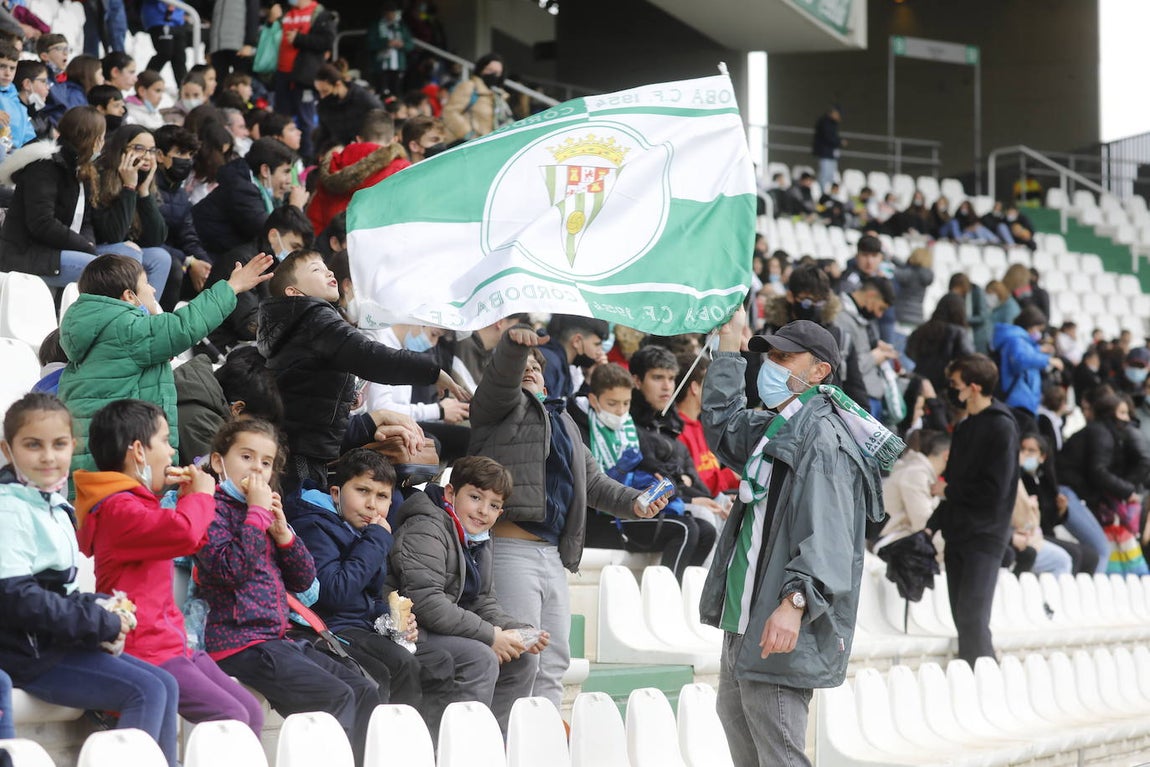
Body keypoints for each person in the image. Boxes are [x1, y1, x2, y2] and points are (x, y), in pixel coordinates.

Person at [699, 310, 898, 767]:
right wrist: (730, 347)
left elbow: (825, 534)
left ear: (819, 371)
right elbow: (722, 426)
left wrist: (794, 604)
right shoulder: (782, 422)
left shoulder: (824, 436)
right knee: (742, 730)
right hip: (747, 615)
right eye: (770, 355)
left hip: (779, 615)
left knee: (779, 751)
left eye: (786, 357)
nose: (771, 365)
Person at [467, 325, 663, 729]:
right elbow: (502, 379)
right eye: (522, 365)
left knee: (554, 661)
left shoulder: (566, 423)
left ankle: (542, 744)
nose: (529, 369)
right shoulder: (495, 409)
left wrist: (636, 503)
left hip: (554, 554)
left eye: (536, 365)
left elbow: (593, 483)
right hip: (510, 550)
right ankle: (506, 746)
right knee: (522, 658)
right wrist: (513, 347)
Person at [0, 393, 179, 766]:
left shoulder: (52, 503)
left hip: (50, 642)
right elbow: (17, 599)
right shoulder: (9, 507)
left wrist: (99, 607)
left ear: (72, 447)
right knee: (145, 690)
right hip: (25, 652)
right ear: (8, 449)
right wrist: (99, 621)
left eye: (59, 444)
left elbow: (58, 591)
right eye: (33, 445)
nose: (48, 457)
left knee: (165, 683)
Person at [195, 418, 380, 764]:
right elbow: (230, 571)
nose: (257, 469)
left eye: (266, 462)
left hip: (276, 638)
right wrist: (255, 513)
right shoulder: (209, 509)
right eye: (246, 457)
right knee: (334, 697)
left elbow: (305, 581)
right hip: (239, 643)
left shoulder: (264, 514)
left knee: (364, 689)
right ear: (220, 462)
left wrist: (284, 536)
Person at [74, 399, 264, 734]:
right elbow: (186, 534)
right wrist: (202, 496)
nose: (173, 452)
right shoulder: (117, 508)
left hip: (173, 642)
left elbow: (191, 536)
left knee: (250, 711)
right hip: (144, 649)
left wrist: (195, 496)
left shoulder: (138, 502)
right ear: (138, 451)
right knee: (233, 718)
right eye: (164, 440)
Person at [256, 249, 462, 492]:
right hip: (305, 453)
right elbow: (371, 356)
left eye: (325, 266)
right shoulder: (315, 318)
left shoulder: (295, 323)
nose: (328, 271)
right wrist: (432, 373)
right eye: (316, 269)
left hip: (300, 447)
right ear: (294, 293)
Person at [289, 449, 456, 737]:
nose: (371, 505)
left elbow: (371, 599)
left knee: (439, 663)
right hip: (328, 630)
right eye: (362, 491)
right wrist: (376, 540)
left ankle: (423, 750)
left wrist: (392, 621)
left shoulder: (369, 531)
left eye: (382, 496)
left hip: (363, 628)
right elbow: (335, 592)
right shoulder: (314, 525)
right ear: (336, 493)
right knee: (397, 666)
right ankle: (387, 752)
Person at [58, 252, 273, 474]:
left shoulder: (96, 331)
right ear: (129, 297)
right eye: (146, 284)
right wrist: (232, 286)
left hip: (89, 466)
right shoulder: (127, 330)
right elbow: (185, 325)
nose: (152, 290)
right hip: (124, 467)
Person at [388, 455, 545, 734]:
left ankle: (494, 747)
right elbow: (426, 603)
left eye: (494, 505)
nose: (483, 511)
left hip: (443, 629)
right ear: (451, 493)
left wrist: (515, 630)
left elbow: (482, 600)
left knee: (523, 658)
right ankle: (455, 750)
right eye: (475, 497)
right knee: (479, 657)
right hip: (407, 630)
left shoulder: (479, 536)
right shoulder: (427, 527)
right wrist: (490, 636)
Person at [576, 362, 716, 580]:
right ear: (594, 400)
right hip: (597, 517)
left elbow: (653, 466)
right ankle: (666, 599)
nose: (620, 411)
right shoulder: (578, 428)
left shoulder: (630, 428)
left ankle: (684, 599)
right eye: (612, 404)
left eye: (626, 403)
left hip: (633, 505)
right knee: (684, 529)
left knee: (707, 531)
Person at [927, 354, 1020, 664]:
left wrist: (949, 490)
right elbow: (951, 485)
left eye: (955, 384)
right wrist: (932, 525)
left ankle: (984, 682)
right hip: (959, 534)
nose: (951, 390)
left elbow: (994, 490)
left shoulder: (1001, 427)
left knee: (972, 616)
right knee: (963, 617)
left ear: (974, 387)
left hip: (986, 535)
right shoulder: (966, 428)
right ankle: (979, 677)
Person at [0, 106, 102, 285]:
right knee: (107, 274)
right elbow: (41, 223)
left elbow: (86, 221)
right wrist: (85, 247)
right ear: (88, 139)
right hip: (29, 255)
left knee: (129, 259)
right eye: (100, 138)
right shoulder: (45, 166)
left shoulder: (80, 169)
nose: (102, 144)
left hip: (61, 250)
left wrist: (88, 244)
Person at [89, 124, 173, 295]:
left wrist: (143, 192)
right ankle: (125, 313)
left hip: (125, 252)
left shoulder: (144, 182)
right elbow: (113, 235)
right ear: (122, 149)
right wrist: (129, 187)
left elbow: (156, 239)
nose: (147, 156)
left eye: (151, 150)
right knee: (128, 252)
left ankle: (147, 316)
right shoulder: (100, 176)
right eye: (139, 148)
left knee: (161, 257)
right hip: (96, 250)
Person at [192, 136, 307, 257]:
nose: (290, 181)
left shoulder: (251, 184)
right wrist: (295, 208)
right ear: (265, 170)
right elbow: (273, 235)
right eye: (286, 172)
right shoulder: (242, 190)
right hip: (205, 256)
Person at [308, 108, 407, 235]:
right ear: (394, 140)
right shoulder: (401, 168)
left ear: (359, 139)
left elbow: (316, 214)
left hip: (334, 244)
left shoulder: (333, 165)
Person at [1019, 433, 1098, 575]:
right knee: (1074, 554)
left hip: (1046, 533)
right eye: (1022, 449)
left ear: (1042, 457)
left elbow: (1050, 520)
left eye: (1031, 451)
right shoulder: (1019, 479)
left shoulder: (1046, 481)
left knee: (1091, 556)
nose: (1025, 454)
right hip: (1031, 533)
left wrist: (1061, 511)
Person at [269, 0, 336, 162]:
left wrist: (299, 38)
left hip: (304, 78)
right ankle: (281, 159)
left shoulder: (320, 13)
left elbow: (327, 41)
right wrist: (270, 21)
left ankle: (307, 161)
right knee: (281, 122)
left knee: (306, 122)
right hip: (282, 75)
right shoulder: (286, 12)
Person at [874, 429, 948, 552]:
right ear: (947, 455)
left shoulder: (917, 470)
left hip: (892, 542)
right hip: (888, 547)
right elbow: (923, 525)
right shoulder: (916, 474)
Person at [992, 305, 1062, 432]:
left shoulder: (1020, 340)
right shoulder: (1016, 340)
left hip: (1023, 400)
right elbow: (1020, 360)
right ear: (1030, 325)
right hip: (1018, 400)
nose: (1038, 334)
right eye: (1037, 329)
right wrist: (1047, 359)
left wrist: (1038, 350)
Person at [905, 294, 974, 394]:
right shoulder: (959, 333)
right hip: (945, 389)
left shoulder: (923, 329)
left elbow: (909, 352)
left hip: (919, 383)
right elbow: (969, 359)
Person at [442, 52, 512, 143]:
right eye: (490, 70)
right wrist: (469, 135)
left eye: (498, 73)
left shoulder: (498, 96)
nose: (494, 75)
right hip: (465, 145)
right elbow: (450, 112)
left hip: (485, 146)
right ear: (481, 69)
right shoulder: (469, 86)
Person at [313, 64, 383, 153]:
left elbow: (380, 128)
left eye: (325, 91)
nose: (322, 96)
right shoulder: (323, 105)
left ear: (338, 84)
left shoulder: (365, 101)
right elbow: (324, 133)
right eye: (319, 91)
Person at [537, 314, 610, 399]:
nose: (600, 352)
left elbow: (567, 408)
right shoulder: (549, 363)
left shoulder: (559, 362)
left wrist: (589, 378)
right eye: (597, 344)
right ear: (577, 341)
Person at [366, 1, 412, 97]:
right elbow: (369, 44)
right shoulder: (376, 26)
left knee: (397, 91)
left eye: (393, 13)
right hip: (381, 65)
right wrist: (385, 43)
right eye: (388, 13)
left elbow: (410, 44)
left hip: (398, 65)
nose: (391, 15)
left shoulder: (401, 26)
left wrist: (402, 44)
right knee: (381, 91)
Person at [143, 0, 190, 84]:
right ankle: (145, 83)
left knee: (179, 57)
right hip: (159, 18)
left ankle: (184, 89)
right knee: (165, 52)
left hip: (178, 20)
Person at [0, 43, 35, 152]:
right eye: (2, 66)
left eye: (12, 68)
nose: (8, 73)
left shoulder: (17, 102)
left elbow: (29, 139)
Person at [893, 247, 934, 330]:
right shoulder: (926, 274)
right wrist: (892, 258)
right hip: (918, 317)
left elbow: (893, 272)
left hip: (903, 316)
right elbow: (904, 266)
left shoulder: (909, 274)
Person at [811, 105, 843, 190]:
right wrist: (839, 142)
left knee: (831, 175)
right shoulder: (825, 123)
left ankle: (827, 192)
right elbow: (828, 137)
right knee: (824, 175)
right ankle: (822, 192)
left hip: (830, 154)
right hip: (825, 153)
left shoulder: (832, 124)